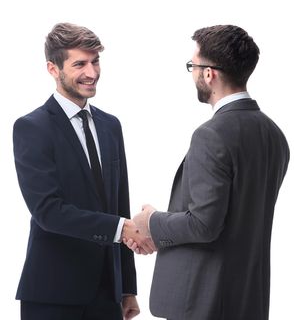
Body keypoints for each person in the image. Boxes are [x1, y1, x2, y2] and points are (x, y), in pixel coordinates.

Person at [125, 25, 290, 320]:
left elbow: (204, 224)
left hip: (205, 302)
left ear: (209, 73)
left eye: (193, 66)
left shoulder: (212, 134)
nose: (192, 73)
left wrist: (151, 221)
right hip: (248, 301)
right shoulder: (274, 135)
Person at [13, 22, 154, 320]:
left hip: (107, 293)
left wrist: (127, 287)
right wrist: (123, 228)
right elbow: (48, 211)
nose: (92, 73)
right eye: (80, 64)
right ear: (53, 69)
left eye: (95, 61)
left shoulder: (110, 125)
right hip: (53, 294)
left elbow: (119, 204)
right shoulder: (32, 128)